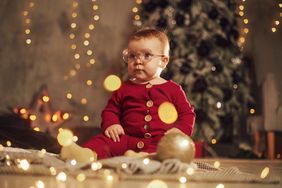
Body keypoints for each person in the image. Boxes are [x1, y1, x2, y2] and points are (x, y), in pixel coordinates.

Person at [82, 28, 196, 159]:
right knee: (104, 141)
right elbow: (110, 110)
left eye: (147, 55)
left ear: (163, 61)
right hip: (126, 140)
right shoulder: (124, 88)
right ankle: (87, 154)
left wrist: (179, 131)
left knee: (166, 151)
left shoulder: (173, 89)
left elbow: (187, 114)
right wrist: (112, 123)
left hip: (158, 140)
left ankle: (144, 158)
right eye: (132, 56)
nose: (138, 61)